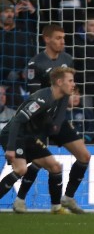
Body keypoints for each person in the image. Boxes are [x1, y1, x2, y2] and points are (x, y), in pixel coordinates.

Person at [14, 25, 92, 214]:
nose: (62, 41)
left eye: (63, 38)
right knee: (40, 162)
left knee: (84, 156)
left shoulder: (67, 59)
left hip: (58, 119)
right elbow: (34, 98)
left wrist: (58, 120)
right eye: (58, 38)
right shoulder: (36, 63)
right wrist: (47, 121)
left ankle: (69, 197)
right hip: (39, 120)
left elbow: (66, 95)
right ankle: (20, 200)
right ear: (46, 39)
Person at [0, 67, 79, 214]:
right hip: (15, 134)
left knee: (55, 167)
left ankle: (56, 208)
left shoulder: (57, 100)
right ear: (59, 82)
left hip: (30, 137)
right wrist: (10, 148)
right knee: (21, 169)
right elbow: (17, 121)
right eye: (70, 81)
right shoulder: (43, 99)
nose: (73, 84)